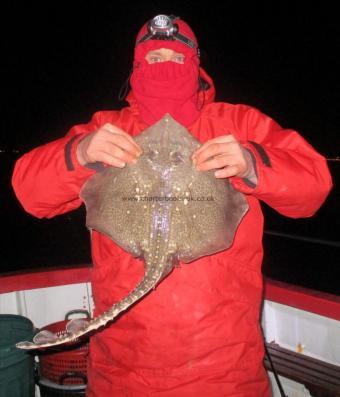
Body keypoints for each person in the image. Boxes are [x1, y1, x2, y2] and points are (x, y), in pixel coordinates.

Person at [12, 14, 332, 397]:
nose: (164, 63)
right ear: (134, 68)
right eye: (152, 56)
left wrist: (251, 162)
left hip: (224, 373)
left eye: (176, 56)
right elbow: (29, 192)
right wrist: (78, 153)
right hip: (122, 372)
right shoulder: (107, 130)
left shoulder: (238, 125)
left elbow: (314, 187)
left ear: (197, 64)